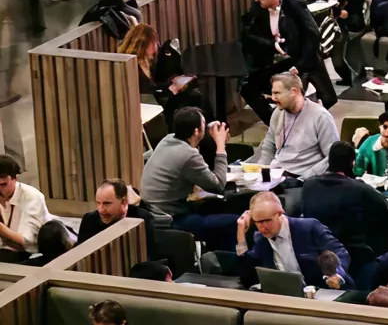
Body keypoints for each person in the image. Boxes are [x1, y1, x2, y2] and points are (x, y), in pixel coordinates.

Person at [143, 107, 234, 248]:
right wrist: (221, 145)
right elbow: (218, 185)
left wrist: (209, 135)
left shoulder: (167, 140)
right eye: (204, 124)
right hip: (170, 219)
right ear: (196, 131)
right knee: (234, 222)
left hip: (154, 212)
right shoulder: (188, 155)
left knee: (215, 209)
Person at [237, 190, 350, 288]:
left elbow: (340, 252)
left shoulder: (309, 227)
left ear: (280, 213)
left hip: (320, 291)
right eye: (257, 222)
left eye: (266, 220)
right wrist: (241, 234)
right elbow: (248, 280)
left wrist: (336, 275)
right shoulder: (261, 240)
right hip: (286, 297)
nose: (262, 227)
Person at [303, 141, 388, 256]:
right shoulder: (359, 189)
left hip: (316, 251)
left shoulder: (308, 185)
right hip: (352, 254)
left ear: (329, 160)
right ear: (352, 163)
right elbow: (385, 205)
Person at [251, 70, 339, 177]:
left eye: (277, 93)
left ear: (293, 91)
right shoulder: (278, 113)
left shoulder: (321, 116)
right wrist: (262, 173)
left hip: (302, 177)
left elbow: (332, 156)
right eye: (272, 93)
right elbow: (269, 145)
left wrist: (306, 178)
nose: (273, 98)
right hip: (276, 174)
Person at [77, 180, 165, 255]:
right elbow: (79, 254)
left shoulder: (142, 218)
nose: (101, 209)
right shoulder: (89, 220)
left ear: (123, 202)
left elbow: (151, 254)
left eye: (107, 203)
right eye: (98, 203)